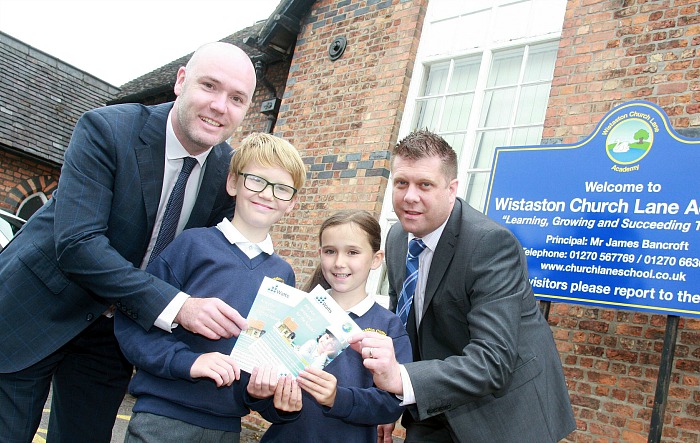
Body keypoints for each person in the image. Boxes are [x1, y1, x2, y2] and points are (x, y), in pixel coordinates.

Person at [0, 42, 257, 443]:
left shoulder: (228, 173)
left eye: (237, 98)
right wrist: (178, 307)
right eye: (210, 86)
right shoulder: (106, 129)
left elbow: (233, 256)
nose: (220, 106)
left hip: (114, 336)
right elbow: (78, 244)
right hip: (34, 311)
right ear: (181, 82)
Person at [349, 129, 577, 442]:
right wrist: (389, 402)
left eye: (425, 184)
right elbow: (403, 326)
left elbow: (493, 361)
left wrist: (400, 380)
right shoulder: (397, 238)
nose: (409, 196)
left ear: (452, 188)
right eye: (401, 183)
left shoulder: (490, 244)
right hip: (430, 406)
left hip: (500, 416)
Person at [114, 132, 306, 441]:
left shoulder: (283, 275)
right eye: (256, 180)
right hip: (164, 417)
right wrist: (189, 362)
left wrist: (268, 396)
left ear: (293, 202)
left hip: (227, 428)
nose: (268, 194)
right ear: (233, 183)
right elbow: (134, 323)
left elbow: (266, 360)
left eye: (282, 188)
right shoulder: (192, 246)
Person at [260, 210, 413, 443]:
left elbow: (391, 405)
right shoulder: (296, 310)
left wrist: (337, 398)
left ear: (376, 259)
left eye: (352, 252)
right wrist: (273, 402)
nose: (339, 262)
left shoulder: (389, 327)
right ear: (320, 254)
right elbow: (265, 399)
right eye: (330, 251)